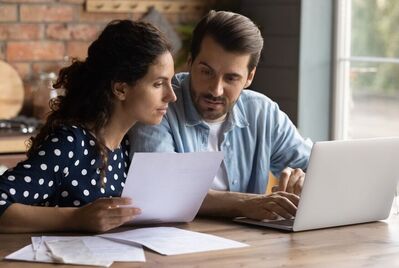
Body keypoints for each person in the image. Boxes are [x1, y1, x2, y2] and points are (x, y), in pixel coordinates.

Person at [129, 10, 312, 221]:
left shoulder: (263, 112)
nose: (215, 90)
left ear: (249, 77)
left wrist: (306, 179)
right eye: (206, 72)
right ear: (190, 62)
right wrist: (246, 204)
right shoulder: (160, 106)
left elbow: (315, 167)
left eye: (231, 78)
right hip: (173, 241)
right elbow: (162, 190)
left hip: (249, 244)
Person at [0, 20, 176, 233]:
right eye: (158, 84)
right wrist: (75, 218)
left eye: (170, 82)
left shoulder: (127, 144)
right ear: (120, 89)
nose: (171, 96)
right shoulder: (70, 144)